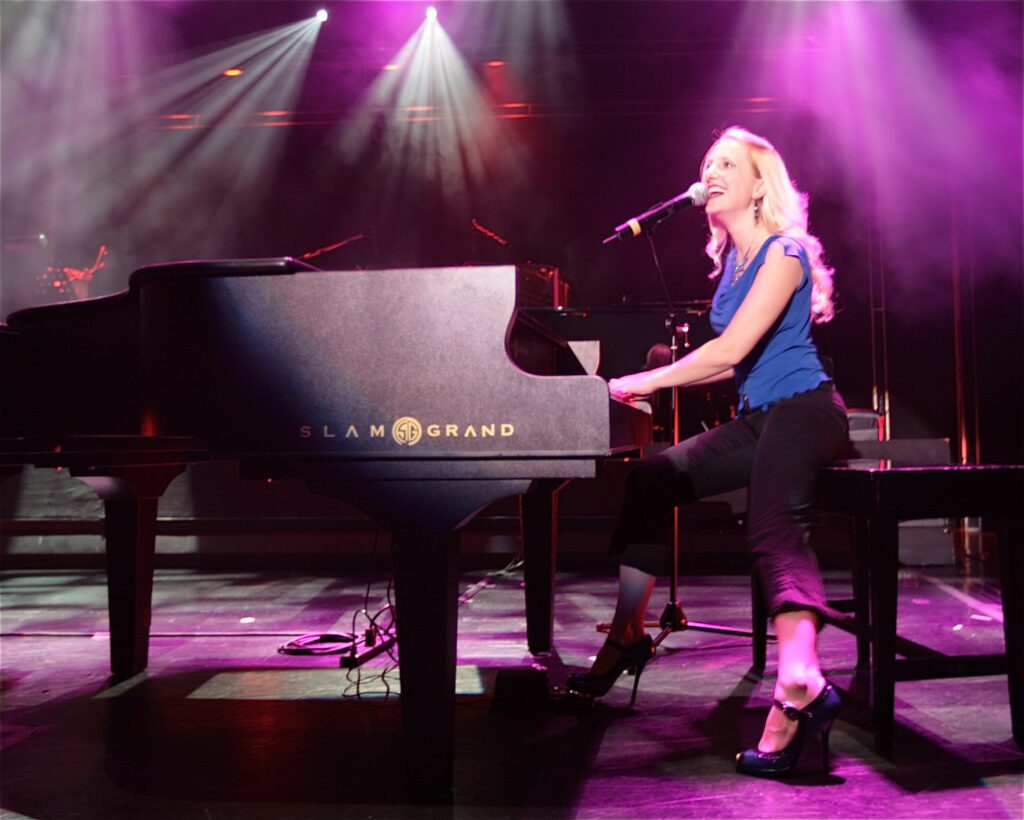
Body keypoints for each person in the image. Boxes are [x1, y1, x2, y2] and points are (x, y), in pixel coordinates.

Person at [567, 126, 850, 779]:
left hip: (807, 409)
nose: (711, 172)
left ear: (760, 186)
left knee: (774, 526)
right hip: (760, 417)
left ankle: (800, 680)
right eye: (707, 163)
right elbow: (732, 362)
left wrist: (647, 379)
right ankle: (628, 633)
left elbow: (730, 350)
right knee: (650, 479)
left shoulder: (783, 252)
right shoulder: (734, 269)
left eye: (728, 164)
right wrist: (658, 377)